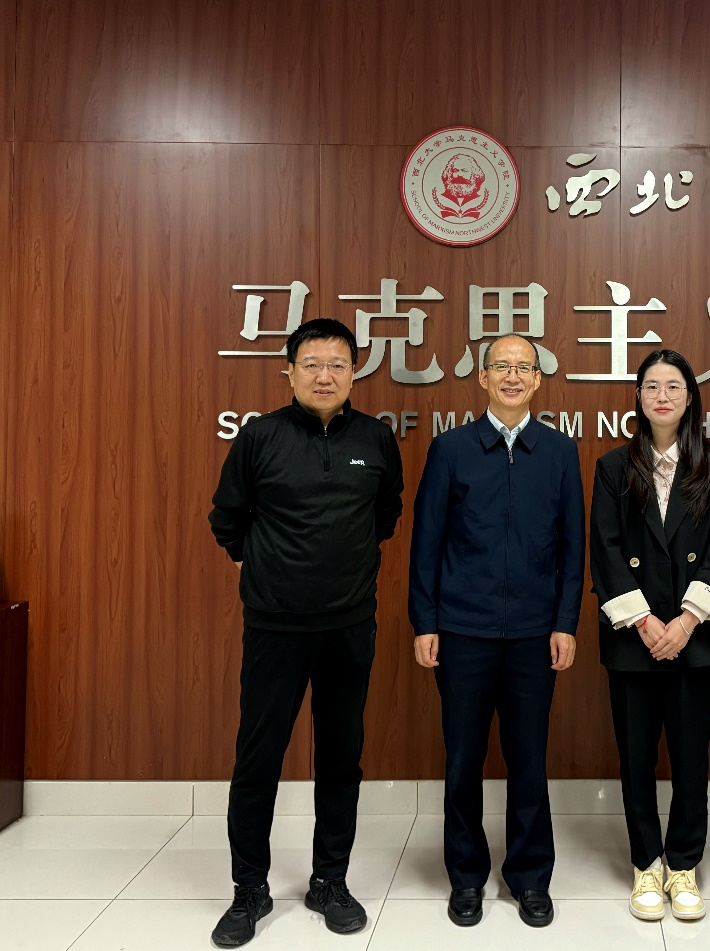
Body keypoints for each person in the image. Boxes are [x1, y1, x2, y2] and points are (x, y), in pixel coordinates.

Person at [208, 319, 404, 947]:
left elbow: (385, 516)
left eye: (338, 364)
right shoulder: (260, 436)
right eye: (312, 364)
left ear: (354, 372)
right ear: (289, 371)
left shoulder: (375, 438)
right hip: (275, 626)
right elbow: (227, 519)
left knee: (341, 757)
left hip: (349, 625)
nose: (325, 376)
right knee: (258, 757)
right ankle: (249, 889)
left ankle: (329, 881)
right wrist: (268, 568)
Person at [409, 333, 585, 929]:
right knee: (463, 759)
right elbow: (426, 543)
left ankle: (530, 876)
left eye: (523, 367)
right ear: (482, 378)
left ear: (537, 380)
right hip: (462, 631)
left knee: (528, 759)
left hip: (535, 634)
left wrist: (565, 623)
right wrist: (425, 621)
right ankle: (466, 876)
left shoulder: (558, 452)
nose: (512, 376)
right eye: (501, 367)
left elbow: (573, 549)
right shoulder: (451, 449)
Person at [590, 350, 710, 922]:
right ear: (638, 396)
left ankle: (683, 865)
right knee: (635, 758)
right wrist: (646, 622)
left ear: (690, 397)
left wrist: (685, 621)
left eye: (673, 386)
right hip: (635, 637)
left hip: (695, 637)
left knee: (691, 758)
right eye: (651, 386)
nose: (662, 396)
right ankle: (646, 864)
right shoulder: (612, 466)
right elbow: (605, 550)